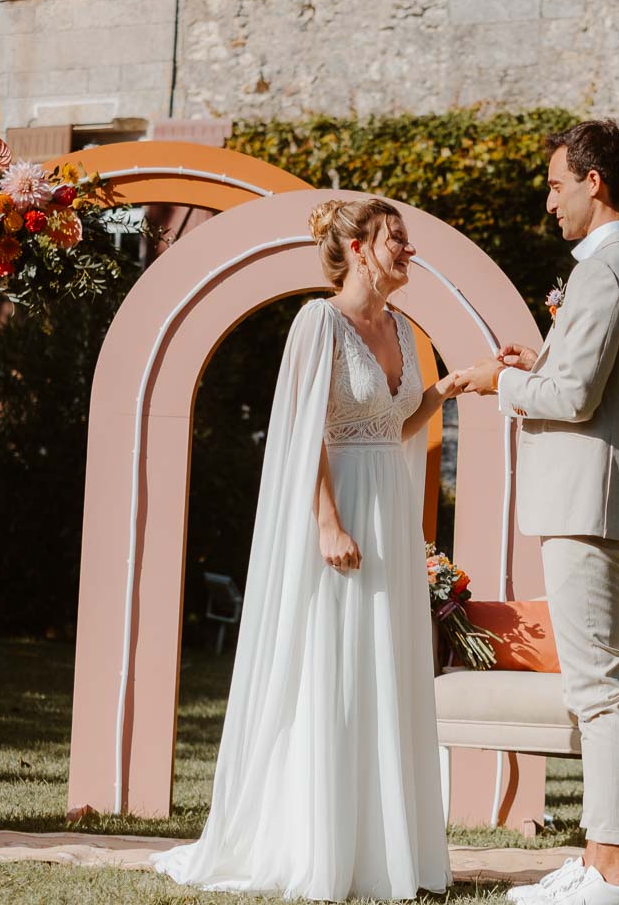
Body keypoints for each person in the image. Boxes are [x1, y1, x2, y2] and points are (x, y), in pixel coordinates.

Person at [152, 197, 458, 900]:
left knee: (383, 668)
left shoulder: (404, 331)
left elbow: (395, 423)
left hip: (390, 513)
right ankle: (317, 844)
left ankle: (385, 852)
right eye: (397, 241)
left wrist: (451, 386)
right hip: (339, 509)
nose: (409, 252)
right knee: (332, 666)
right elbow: (304, 430)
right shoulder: (318, 322)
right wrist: (325, 521)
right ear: (357, 248)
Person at [454, 120, 619, 905]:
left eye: (555, 186)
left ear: (594, 184)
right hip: (609, 500)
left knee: (598, 691)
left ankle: (609, 871)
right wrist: (536, 363)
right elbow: (597, 386)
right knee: (599, 684)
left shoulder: (604, 274)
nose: (548, 203)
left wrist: (497, 383)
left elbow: (575, 399)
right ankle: (599, 859)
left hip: (588, 507)